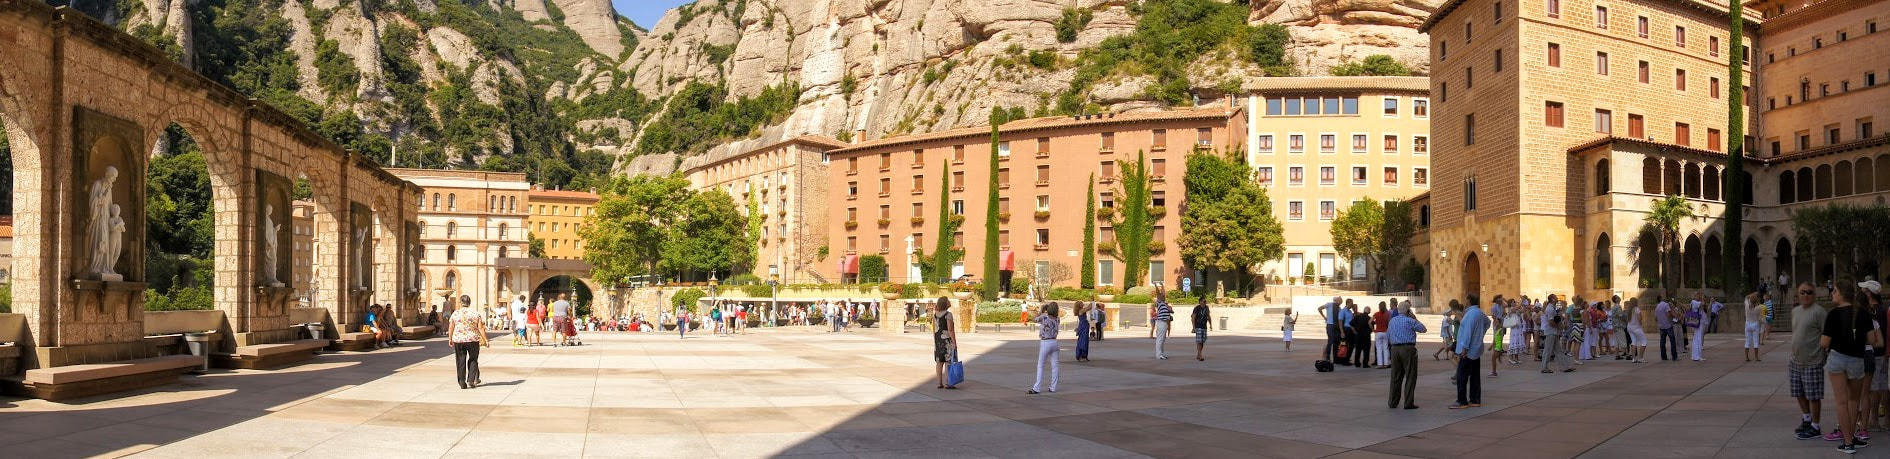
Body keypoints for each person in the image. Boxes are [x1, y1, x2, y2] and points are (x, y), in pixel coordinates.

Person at [1824, 282, 1879, 453]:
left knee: (1841, 402)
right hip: (1856, 360)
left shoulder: (1833, 314)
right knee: (1854, 400)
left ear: (1841, 294)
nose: (1832, 294)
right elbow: (1872, 340)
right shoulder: (1862, 313)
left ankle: (1847, 442)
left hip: (1837, 359)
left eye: (1834, 291)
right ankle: (1853, 437)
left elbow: (1824, 342)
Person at [1790, 282, 1830, 441]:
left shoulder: (1819, 312)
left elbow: (1826, 334)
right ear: (1798, 294)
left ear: (1814, 295)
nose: (1806, 295)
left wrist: (1822, 354)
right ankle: (1806, 419)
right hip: (1795, 360)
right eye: (1802, 292)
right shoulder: (1795, 311)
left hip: (1813, 360)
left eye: (1809, 293)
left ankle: (1816, 426)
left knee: (1813, 396)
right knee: (1798, 392)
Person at [1452, 295, 1490, 409]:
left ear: (1468, 301)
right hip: (1476, 349)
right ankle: (1475, 399)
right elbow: (1488, 323)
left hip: (1468, 350)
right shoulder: (1480, 313)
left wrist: (1464, 348)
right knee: (1474, 376)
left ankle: (1462, 401)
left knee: (1461, 376)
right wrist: (1480, 335)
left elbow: (1467, 332)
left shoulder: (1470, 314)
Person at [1387, 303, 1426, 409]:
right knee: (1410, 375)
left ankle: (1392, 402)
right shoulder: (1410, 320)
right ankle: (1408, 402)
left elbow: (1388, 335)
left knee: (1395, 376)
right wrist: (1415, 318)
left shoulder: (1392, 321)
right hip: (1408, 348)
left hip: (1394, 349)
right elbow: (1423, 329)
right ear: (1408, 311)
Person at [446, 298, 489, 389]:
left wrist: (450, 338)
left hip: (459, 340)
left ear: (461, 303)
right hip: (473, 339)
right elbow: (480, 328)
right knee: (473, 359)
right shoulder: (475, 313)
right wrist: (486, 339)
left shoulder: (455, 313)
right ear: (469, 303)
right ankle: (471, 379)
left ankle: (462, 382)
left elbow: (451, 327)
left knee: (460, 360)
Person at [1030, 302, 1061, 394]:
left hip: (1045, 342)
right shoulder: (1058, 319)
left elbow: (1034, 319)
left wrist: (1041, 311)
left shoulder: (1044, 316)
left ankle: (1037, 387)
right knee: (1055, 366)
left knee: (1040, 365)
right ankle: (1053, 387)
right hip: (1055, 342)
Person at [931, 297, 959, 390]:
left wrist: (935, 341)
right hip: (947, 341)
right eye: (948, 301)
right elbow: (950, 330)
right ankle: (948, 383)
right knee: (948, 362)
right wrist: (954, 343)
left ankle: (939, 383)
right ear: (945, 303)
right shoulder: (948, 314)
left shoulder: (935, 315)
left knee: (939, 362)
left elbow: (934, 330)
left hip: (938, 341)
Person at [1542, 298, 1573, 373]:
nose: (1556, 298)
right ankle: (1544, 367)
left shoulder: (1552, 308)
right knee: (1548, 350)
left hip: (1554, 332)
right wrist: (1559, 327)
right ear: (1552, 299)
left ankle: (1565, 367)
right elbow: (1550, 322)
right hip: (1550, 332)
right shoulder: (1550, 309)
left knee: (1558, 350)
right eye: (1555, 297)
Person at [1319, 296, 1343, 362]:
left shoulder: (1339, 308)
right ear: (1336, 300)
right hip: (1330, 325)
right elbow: (1319, 308)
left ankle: (1335, 357)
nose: (1341, 302)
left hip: (1336, 326)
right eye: (1340, 301)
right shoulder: (1329, 304)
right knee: (1330, 341)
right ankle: (1328, 357)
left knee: (1336, 341)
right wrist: (1324, 317)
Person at [1656, 296, 1680, 361]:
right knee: (1672, 341)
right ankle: (1674, 356)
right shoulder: (1666, 305)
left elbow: (1656, 318)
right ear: (1661, 299)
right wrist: (1675, 316)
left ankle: (1663, 357)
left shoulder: (1657, 306)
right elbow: (1669, 314)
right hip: (1668, 325)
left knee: (1662, 342)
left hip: (1661, 326)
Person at [1152, 291, 1174, 360]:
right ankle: (1159, 355)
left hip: (1165, 323)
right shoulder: (1159, 303)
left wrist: (1169, 309)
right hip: (1161, 322)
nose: (1164, 296)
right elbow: (1158, 293)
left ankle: (1161, 353)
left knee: (1162, 339)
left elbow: (1172, 311)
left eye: (1164, 295)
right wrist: (1156, 285)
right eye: (1163, 296)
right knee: (1160, 339)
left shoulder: (1165, 305)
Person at [1349, 303, 1371, 368]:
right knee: (1366, 350)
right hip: (1366, 336)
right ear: (1369, 311)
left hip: (1358, 336)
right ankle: (1365, 364)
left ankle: (1357, 363)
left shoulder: (1358, 317)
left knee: (1358, 350)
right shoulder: (1369, 318)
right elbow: (1372, 326)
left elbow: (1351, 324)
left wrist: (1354, 331)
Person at [1488, 296, 1506, 377]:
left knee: (1493, 358)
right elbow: (1494, 317)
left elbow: (1506, 305)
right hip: (1499, 323)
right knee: (1499, 339)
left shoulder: (1501, 305)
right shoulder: (1494, 307)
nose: (1501, 300)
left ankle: (1494, 372)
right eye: (1499, 298)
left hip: (1497, 347)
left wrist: (1491, 346)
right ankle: (1499, 357)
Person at [1745, 292, 1765, 362]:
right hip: (1755, 324)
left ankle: (1747, 357)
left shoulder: (1747, 306)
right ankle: (1756, 357)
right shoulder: (1758, 308)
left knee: (1747, 341)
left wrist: (1752, 294)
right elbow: (1759, 318)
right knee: (1756, 341)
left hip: (1748, 323)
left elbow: (1746, 298)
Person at [1191, 297, 1211, 362]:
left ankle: (1198, 354)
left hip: (1204, 326)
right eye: (1204, 301)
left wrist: (1211, 324)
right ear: (1200, 302)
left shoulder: (1206, 308)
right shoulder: (1197, 308)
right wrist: (1194, 327)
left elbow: (1208, 316)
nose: (1205, 302)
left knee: (1202, 341)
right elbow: (1193, 318)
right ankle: (1200, 355)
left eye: (1205, 301)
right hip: (1198, 326)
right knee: (1199, 341)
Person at [1687, 295, 1706, 361]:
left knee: (1696, 338)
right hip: (1698, 322)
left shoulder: (1692, 303)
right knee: (1698, 338)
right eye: (1698, 296)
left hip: (1696, 322)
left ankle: (1696, 356)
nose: (1699, 297)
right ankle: (1696, 356)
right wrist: (1702, 298)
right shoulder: (1694, 302)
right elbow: (1703, 304)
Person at [1373, 303, 1392, 369]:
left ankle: (1380, 364)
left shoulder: (1376, 314)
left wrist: (1373, 330)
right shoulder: (1387, 314)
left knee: (1379, 349)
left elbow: (1369, 322)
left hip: (1378, 332)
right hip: (1385, 332)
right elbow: (1389, 323)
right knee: (1385, 348)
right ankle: (1386, 363)